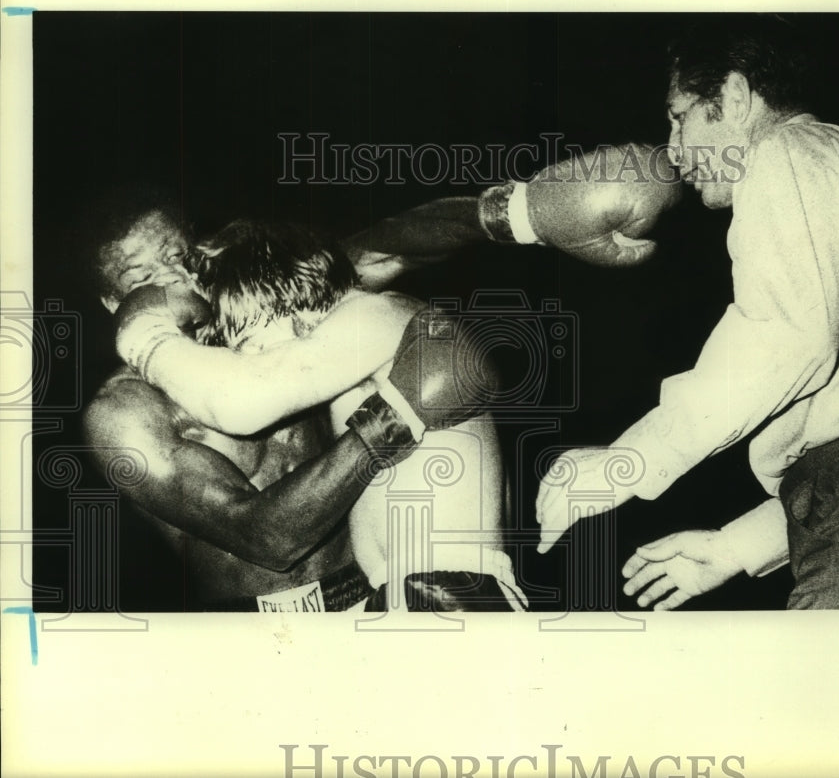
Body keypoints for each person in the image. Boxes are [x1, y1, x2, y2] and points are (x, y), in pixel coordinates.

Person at [536, 16, 839, 610]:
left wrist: (625, 463)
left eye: (679, 116)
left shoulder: (788, 151)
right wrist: (734, 548)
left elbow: (789, 336)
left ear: (735, 98)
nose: (672, 149)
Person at [81, 188, 518, 610]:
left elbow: (392, 244)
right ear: (114, 302)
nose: (173, 279)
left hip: (372, 590)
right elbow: (266, 538)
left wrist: (518, 212)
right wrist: (397, 417)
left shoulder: (283, 300)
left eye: (176, 256)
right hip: (261, 626)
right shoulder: (124, 412)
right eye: (142, 278)